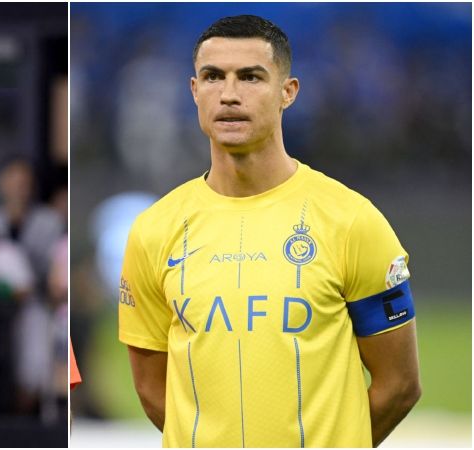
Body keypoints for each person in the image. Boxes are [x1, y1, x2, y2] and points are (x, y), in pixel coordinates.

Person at [118, 15, 420, 448]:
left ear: (287, 92)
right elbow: (151, 388)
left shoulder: (352, 220)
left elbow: (399, 385)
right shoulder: (154, 230)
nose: (229, 94)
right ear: (194, 91)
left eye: (251, 77)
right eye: (213, 77)